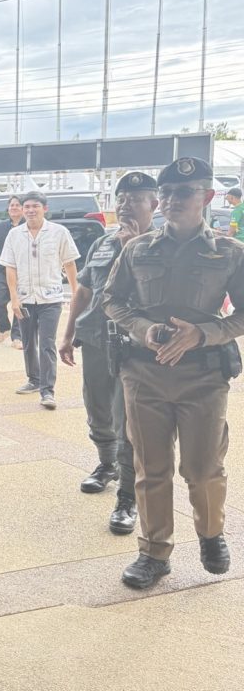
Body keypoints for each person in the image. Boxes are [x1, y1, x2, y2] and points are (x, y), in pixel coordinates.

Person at [103, 156, 244, 590]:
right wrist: (143, 329)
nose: (171, 200)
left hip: (203, 377)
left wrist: (202, 334)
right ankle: (154, 552)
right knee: (151, 468)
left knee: (203, 469)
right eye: (165, 193)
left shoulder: (228, 253)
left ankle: (210, 533)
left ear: (208, 196)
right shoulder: (137, 249)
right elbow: (112, 300)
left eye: (184, 192)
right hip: (144, 374)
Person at [59, 172, 157, 536]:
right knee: (97, 408)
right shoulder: (103, 242)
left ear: (154, 204)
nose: (126, 205)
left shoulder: (159, 245)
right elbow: (84, 290)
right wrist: (69, 332)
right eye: (122, 199)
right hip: (97, 340)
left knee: (128, 422)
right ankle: (106, 464)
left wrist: (135, 249)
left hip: (136, 348)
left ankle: (127, 497)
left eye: (136, 199)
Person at [0, 191, 78, 410]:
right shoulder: (14, 235)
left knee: (47, 343)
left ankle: (47, 390)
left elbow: (70, 263)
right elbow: (10, 267)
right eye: (27, 207)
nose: (31, 210)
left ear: (45, 208)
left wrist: (76, 293)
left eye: (35, 206)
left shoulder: (59, 232)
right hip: (25, 298)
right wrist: (14, 298)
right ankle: (33, 379)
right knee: (28, 343)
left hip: (51, 298)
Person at [0, 196, 24, 347]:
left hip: (23, 272)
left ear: (23, 208)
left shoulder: (28, 226)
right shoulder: (0, 227)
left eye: (17, 205)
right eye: (12, 205)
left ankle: (17, 336)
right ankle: (4, 328)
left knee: (19, 304)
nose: (14, 208)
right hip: (3, 271)